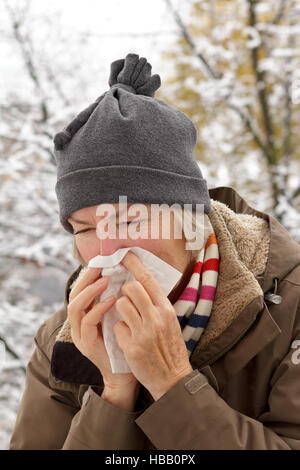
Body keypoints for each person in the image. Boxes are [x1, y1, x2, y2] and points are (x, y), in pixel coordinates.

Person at [9, 53, 300, 450]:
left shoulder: (290, 307)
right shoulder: (62, 341)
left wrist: (173, 384)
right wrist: (114, 389)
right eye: (85, 229)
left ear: (190, 224)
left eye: (130, 222)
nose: (107, 249)